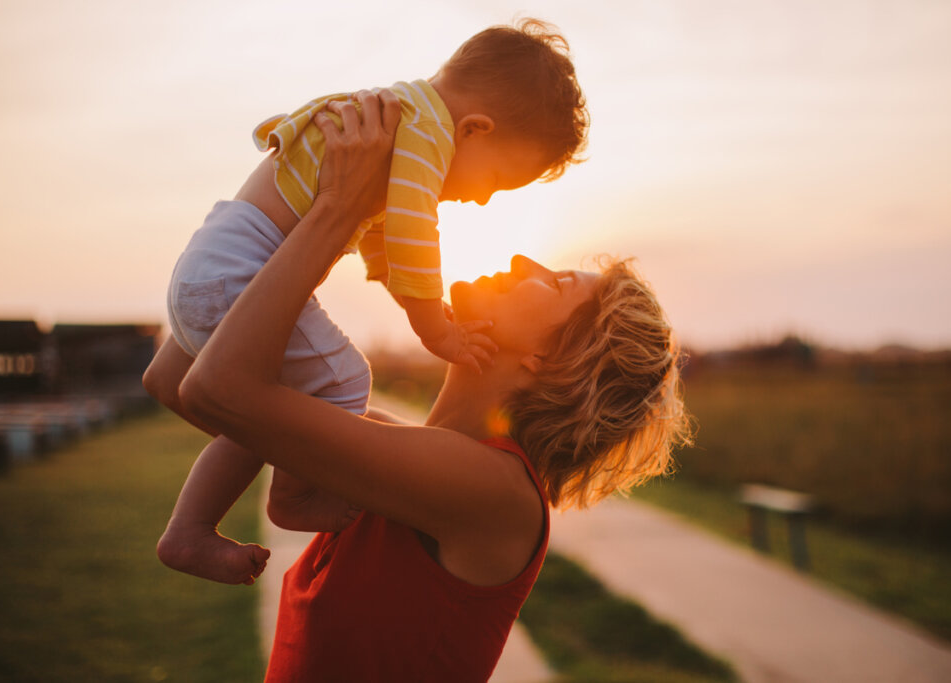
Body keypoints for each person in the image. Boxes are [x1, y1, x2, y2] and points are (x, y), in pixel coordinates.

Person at [149, 89, 690, 682]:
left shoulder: (494, 491)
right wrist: (282, 216)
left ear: (549, 357)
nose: (520, 263)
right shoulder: (387, 455)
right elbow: (176, 379)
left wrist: (338, 209)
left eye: (553, 281)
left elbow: (216, 390)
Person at [151, 18, 589, 585]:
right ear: (476, 129)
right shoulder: (428, 136)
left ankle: (191, 528)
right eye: (499, 180)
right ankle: (291, 496)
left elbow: (380, 237)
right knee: (344, 382)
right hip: (240, 274)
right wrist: (434, 328)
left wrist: (404, 296)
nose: (482, 200)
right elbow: (411, 233)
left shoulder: (399, 116)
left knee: (272, 411)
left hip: (209, 264)